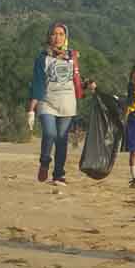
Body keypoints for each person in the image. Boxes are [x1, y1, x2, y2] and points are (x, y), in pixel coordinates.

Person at [27, 22, 87, 185]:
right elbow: (38, 84)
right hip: (47, 102)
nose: (57, 37)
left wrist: (88, 85)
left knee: (62, 140)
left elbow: (77, 79)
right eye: (54, 34)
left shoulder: (73, 57)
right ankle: (45, 161)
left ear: (65, 37)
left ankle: (59, 174)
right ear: (49, 37)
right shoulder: (42, 58)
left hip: (68, 104)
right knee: (50, 133)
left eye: (61, 34)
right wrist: (31, 110)